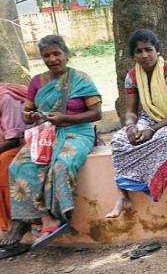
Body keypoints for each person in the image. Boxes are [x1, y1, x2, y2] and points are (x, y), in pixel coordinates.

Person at [6, 35, 102, 249]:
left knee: (61, 165)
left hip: (77, 132)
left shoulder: (80, 79)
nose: (52, 59)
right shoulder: (37, 82)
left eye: (56, 54)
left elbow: (96, 114)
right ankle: (39, 219)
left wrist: (66, 118)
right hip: (46, 134)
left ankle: (58, 218)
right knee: (18, 166)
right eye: (46, 55)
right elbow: (26, 113)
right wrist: (30, 116)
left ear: (66, 55)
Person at [105, 29, 167, 218]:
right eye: (139, 51)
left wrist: (151, 130)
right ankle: (123, 195)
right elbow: (131, 111)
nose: (144, 55)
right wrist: (130, 127)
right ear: (133, 55)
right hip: (149, 118)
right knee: (119, 140)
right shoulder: (132, 76)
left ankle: (147, 182)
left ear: (157, 51)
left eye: (148, 49)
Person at [0, 84, 31, 259]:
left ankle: (14, 225)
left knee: (3, 164)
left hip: (25, 142)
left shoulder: (5, 98)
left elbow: (13, 139)